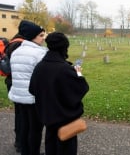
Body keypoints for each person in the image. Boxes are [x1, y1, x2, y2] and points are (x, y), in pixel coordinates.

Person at [29, 32, 89, 155]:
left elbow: (32, 89)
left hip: (47, 117)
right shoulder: (65, 69)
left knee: (51, 148)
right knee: (66, 150)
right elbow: (82, 87)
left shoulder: (40, 66)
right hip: (65, 120)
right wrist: (78, 72)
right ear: (64, 48)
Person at [8, 20, 47, 155]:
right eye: (41, 35)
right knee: (35, 129)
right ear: (32, 36)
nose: (43, 38)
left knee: (24, 126)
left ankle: (25, 151)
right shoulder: (39, 53)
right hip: (33, 97)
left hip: (19, 96)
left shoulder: (17, 52)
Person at [4, 32, 24, 153]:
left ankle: (19, 141)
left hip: (11, 81)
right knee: (23, 116)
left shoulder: (11, 44)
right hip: (18, 83)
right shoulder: (19, 45)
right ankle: (21, 143)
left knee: (19, 114)